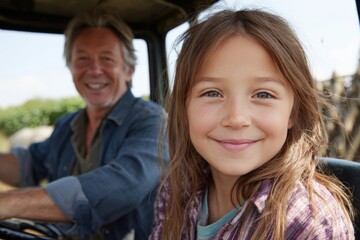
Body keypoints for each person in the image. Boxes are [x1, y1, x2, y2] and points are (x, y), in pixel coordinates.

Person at [150, 9, 354, 240]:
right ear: (184, 108)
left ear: (293, 112)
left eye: (264, 95)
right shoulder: (176, 191)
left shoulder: (308, 221)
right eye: (212, 92)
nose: (236, 118)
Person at [0, 4, 168, 240]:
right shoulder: (67, 126)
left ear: (128, 69)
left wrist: (7, 203)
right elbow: (29, 163)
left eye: (106, 58)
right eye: (82, 59)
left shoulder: (152, 122)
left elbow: (121, 187)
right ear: (71, 68)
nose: (94, 70)